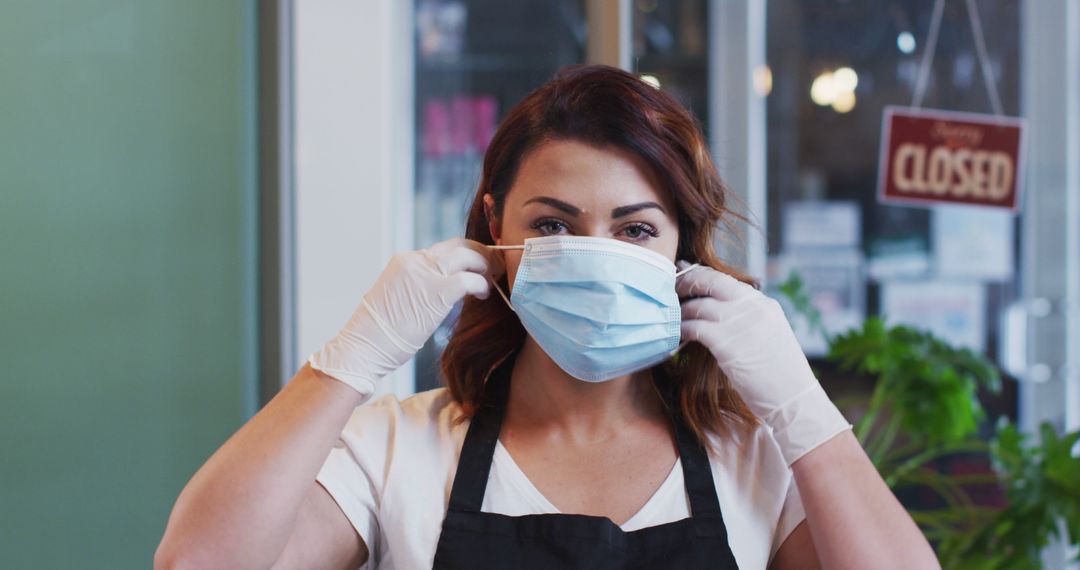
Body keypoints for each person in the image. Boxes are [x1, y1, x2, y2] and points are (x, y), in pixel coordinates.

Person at [155, 65, 940, 569]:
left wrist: (800, 408)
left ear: (682, 253)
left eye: (635, 230)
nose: (596, 256)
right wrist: (349, 362)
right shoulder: (396, 448)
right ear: (496, 227)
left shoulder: (756, 461)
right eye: (555, 225)